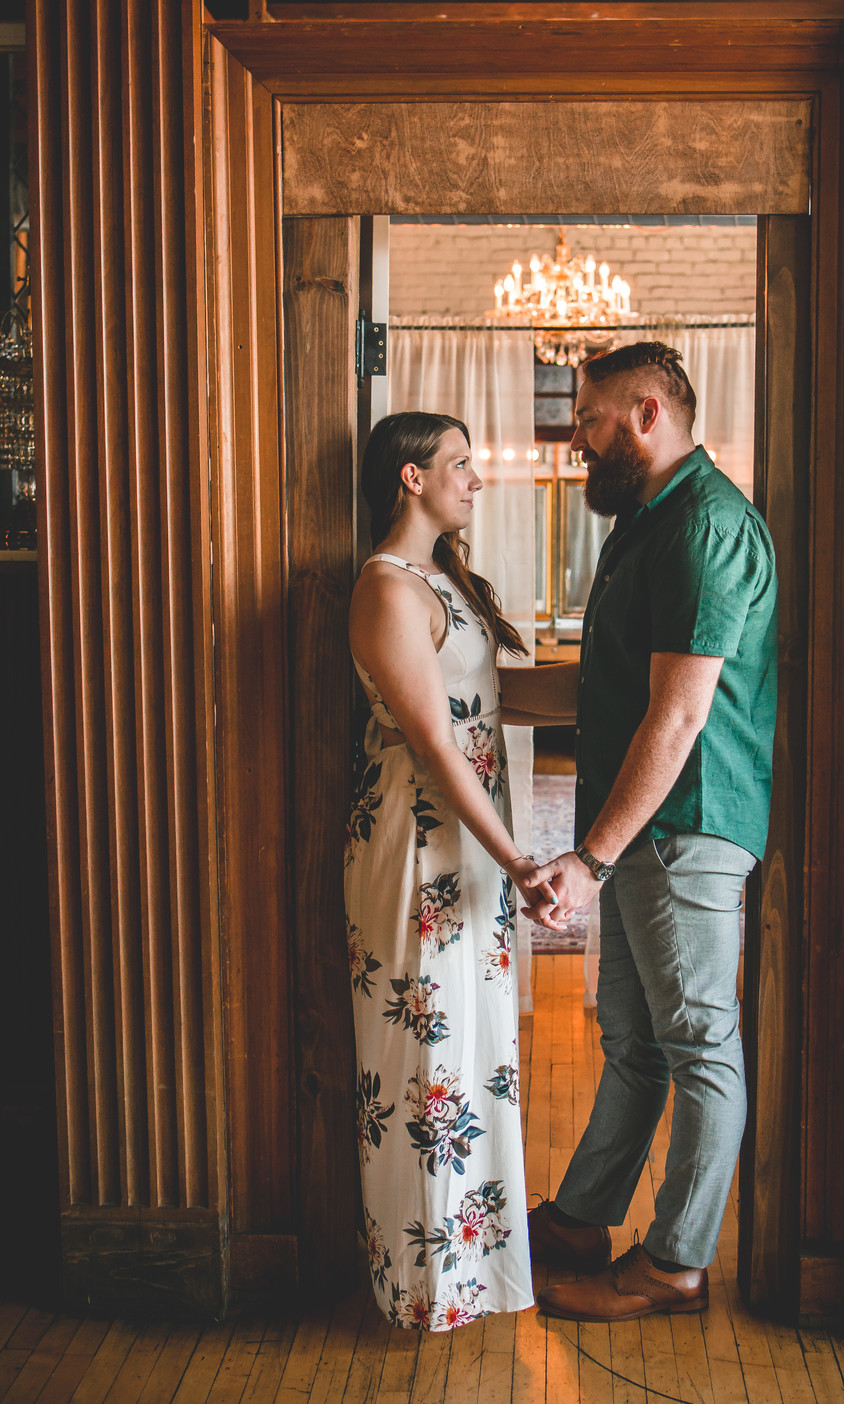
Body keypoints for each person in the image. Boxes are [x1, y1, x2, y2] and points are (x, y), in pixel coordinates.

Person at [514, 341, 778, 1323]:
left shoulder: (706, 526)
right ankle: (584, 1220)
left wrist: (588, 860)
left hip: (687, 827)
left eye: (589, 420)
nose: (575, 438)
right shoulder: (644, 522)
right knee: (634, 1043)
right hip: (641, 831)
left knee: (700, 1042)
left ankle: (676, 1262)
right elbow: (601, 693)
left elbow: (677, 717)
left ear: (649, 413)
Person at [344, 411, 562, 1331]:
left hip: (471, 836)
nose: (477, 479)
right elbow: (434, 743)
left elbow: (494, 701)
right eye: (460, 465)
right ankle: (426, 1285)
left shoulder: (449, 580)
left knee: (477, 1051)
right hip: (419, 836)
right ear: (409, 477)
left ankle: (477, 1268)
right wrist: (520, 860)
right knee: (425, 1054)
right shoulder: (387, 588)